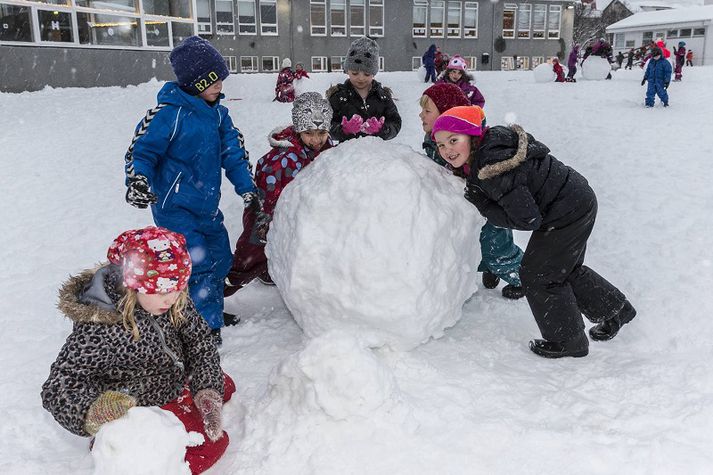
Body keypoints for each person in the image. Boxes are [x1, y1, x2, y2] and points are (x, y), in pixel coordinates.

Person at [431, 106, 636, 358]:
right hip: (574, 199)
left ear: (473, 137)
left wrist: (483, 204)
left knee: (539, 274)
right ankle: (617, 311)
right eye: (441, 145)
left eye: (454, 140)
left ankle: (569, 341)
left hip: (567, 211)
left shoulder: (493, 167)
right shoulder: (488, 151)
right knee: (562, 268)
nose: (447, 150)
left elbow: (527, 218)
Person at [41, 227, 236, 474]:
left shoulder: (173, 302)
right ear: (133, 286)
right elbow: (58, 386)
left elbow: (199, 342)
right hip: (138, 405)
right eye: (162, 291)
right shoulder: (100, 328)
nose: (172, 298)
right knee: (210, 445)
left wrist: (207, 389)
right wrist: (94, 411)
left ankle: (195, 394)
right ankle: (139, 456)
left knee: (222, 385)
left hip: (173, 378)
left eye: (178, 288)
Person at [122, 36, 260, 343]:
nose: (219, 87)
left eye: (221, 80)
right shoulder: (167, 114)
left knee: (222, 258)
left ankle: (205, 306)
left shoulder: (220, 116)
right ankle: (203, 326)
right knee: (198, 264)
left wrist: (247, 189)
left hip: (207, 206)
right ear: (194, 82)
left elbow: (234, 154)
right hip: (175, 208)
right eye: (213, 81)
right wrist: (138, 180)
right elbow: (140, 152)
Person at [419, 84, 524, 299]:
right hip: (466, 208)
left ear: (447, 114)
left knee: (497, 248)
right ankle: (490, 267)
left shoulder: (465, 142)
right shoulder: (435, 139)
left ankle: (522, 276)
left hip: (487, 206)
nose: (421, 115)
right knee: (473, 243)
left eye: (427, 111)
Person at [225, 92, 334, 296]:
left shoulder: (326, 148)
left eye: (322, 132)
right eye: (309, 133)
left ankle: (268, 268)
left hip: (296, 209)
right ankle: (232, 280)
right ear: (299, 130)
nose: (317, 139)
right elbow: (266, 193)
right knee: (254, 246)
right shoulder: (284, 159)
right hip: (265, 208)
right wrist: (266, 220)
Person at [327, 36, 401, 142]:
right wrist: (343, 130)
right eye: (355, 73)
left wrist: (382, 129)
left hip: (376, 154)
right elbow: (327, 126)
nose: (361, 78)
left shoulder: (382, 97)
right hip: (349, 154)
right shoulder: (338, 96)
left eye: (367, 74)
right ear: (347, 70)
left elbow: (395, 123)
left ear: (374, 73)